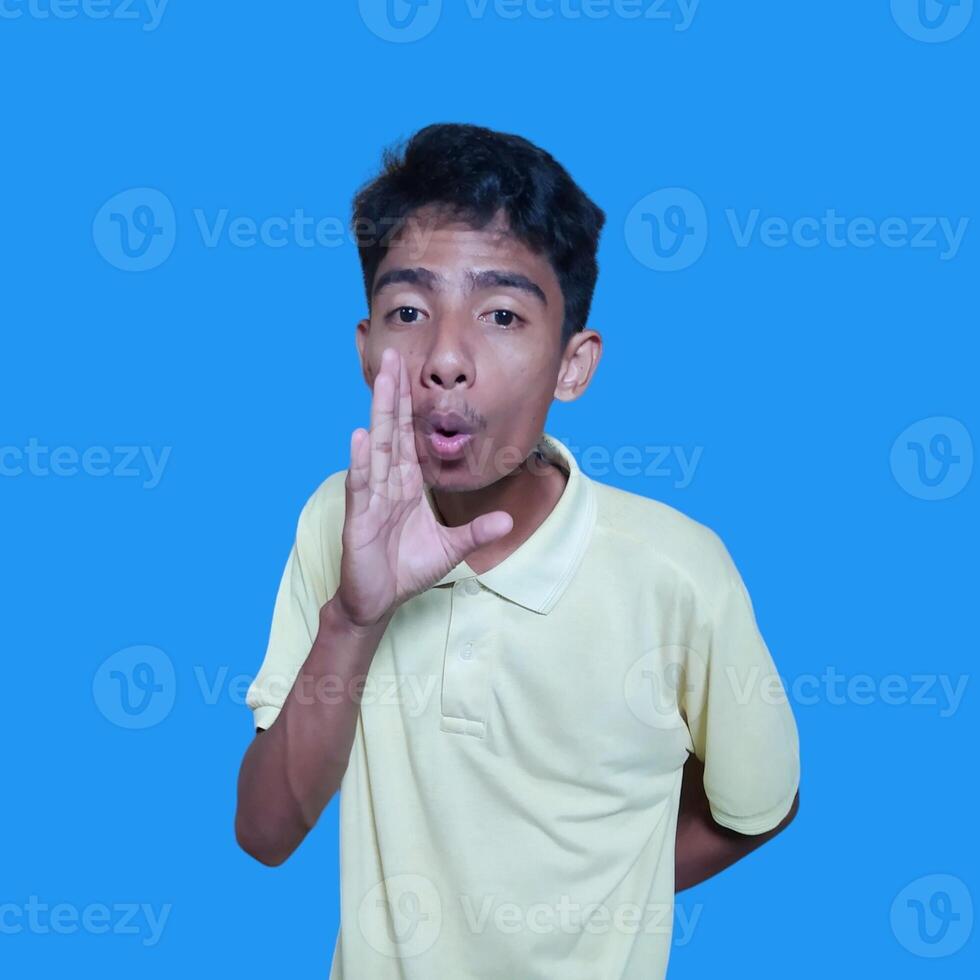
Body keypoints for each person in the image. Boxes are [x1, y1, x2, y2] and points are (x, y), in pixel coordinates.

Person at [234, 122, 800, 979]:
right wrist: (354, 617)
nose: (446, 359)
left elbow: (760, 804)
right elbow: (266, 833)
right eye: (409, 312)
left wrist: (606, 895)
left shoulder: (676, 572)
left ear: (574, 365)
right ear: (365, 349)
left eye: (501, 314)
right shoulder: (337, 519)